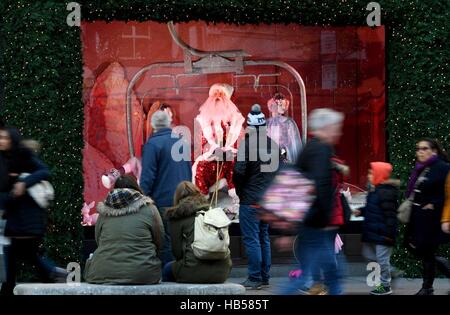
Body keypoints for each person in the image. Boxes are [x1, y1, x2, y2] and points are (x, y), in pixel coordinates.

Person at [279, 108, 345, 295]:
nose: (338, 132)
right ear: (326, 127)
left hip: (309, 220)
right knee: (327, 271)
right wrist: (325, 219)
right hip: (317, 222)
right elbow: (321, 185)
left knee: (323, 271)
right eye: (336, 127)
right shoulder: (321, 149)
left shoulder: (310, 147)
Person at [0, 127, 66, 295]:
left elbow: (44, 171)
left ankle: (55, 274)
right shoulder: (4, 159)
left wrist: (24, 183)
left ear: (12, 140)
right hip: (15, 216)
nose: (1, 141)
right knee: (21, 256)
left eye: (4, 138)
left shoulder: (22, 155)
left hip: (28, 217)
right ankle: (55, 274)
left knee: (24, 255)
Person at [233, 104, 280, 290]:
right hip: (267, 201)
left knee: (252, 239)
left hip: (250, 200)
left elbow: (238, 172)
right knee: (263, 237)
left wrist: (240, 191)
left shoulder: (247, 146)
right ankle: (265, 276)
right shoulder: (273, 145)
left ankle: (254, 277)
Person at [84, 175, 164, 284]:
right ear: (137, 188)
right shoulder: (150, 209)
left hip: (102, 273)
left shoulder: (104, 212)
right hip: (144, 273)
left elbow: (98, 240)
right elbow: (159, 240)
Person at [140, 110, 192, 266]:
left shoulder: (153, 144)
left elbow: (147, 177)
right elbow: (188, 171)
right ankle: (183, 270)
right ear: (169, 123)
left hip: (163, 201)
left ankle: (169, 277)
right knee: (183, 238)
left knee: (166, 241)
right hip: (183, 199)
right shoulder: (181, 142)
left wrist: (142, 198)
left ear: (152, 125)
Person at [404, 138, 450, 295]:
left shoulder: (443, 168)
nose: (420, 152)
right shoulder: (421, 168)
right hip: (419, 218)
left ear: (434, 151)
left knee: (427, 253)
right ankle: (427, 287)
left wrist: (434, 204)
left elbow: (447, 193)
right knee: (420, 250)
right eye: (418, 149)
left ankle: (427, 288)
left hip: (433, 219)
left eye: (424, 148)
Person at [163, 181, 232, 283]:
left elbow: (177, 253)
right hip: (222, 272)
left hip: (192, 271)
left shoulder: (177, 217)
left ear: (177, 197)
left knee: (167, 269)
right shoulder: (212, 212)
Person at [353, 162, 400, 295]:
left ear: (379, 175)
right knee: (368, 254)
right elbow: (372, 209)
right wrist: (361, 211)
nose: (368, 175)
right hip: (373, 231)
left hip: (384, 233)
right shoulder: (374, 190)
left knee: (382, 260)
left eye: (371, 173)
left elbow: (391, 215)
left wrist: (389, 234)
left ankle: (385, 286)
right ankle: (391, 271)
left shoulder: (386, 192)